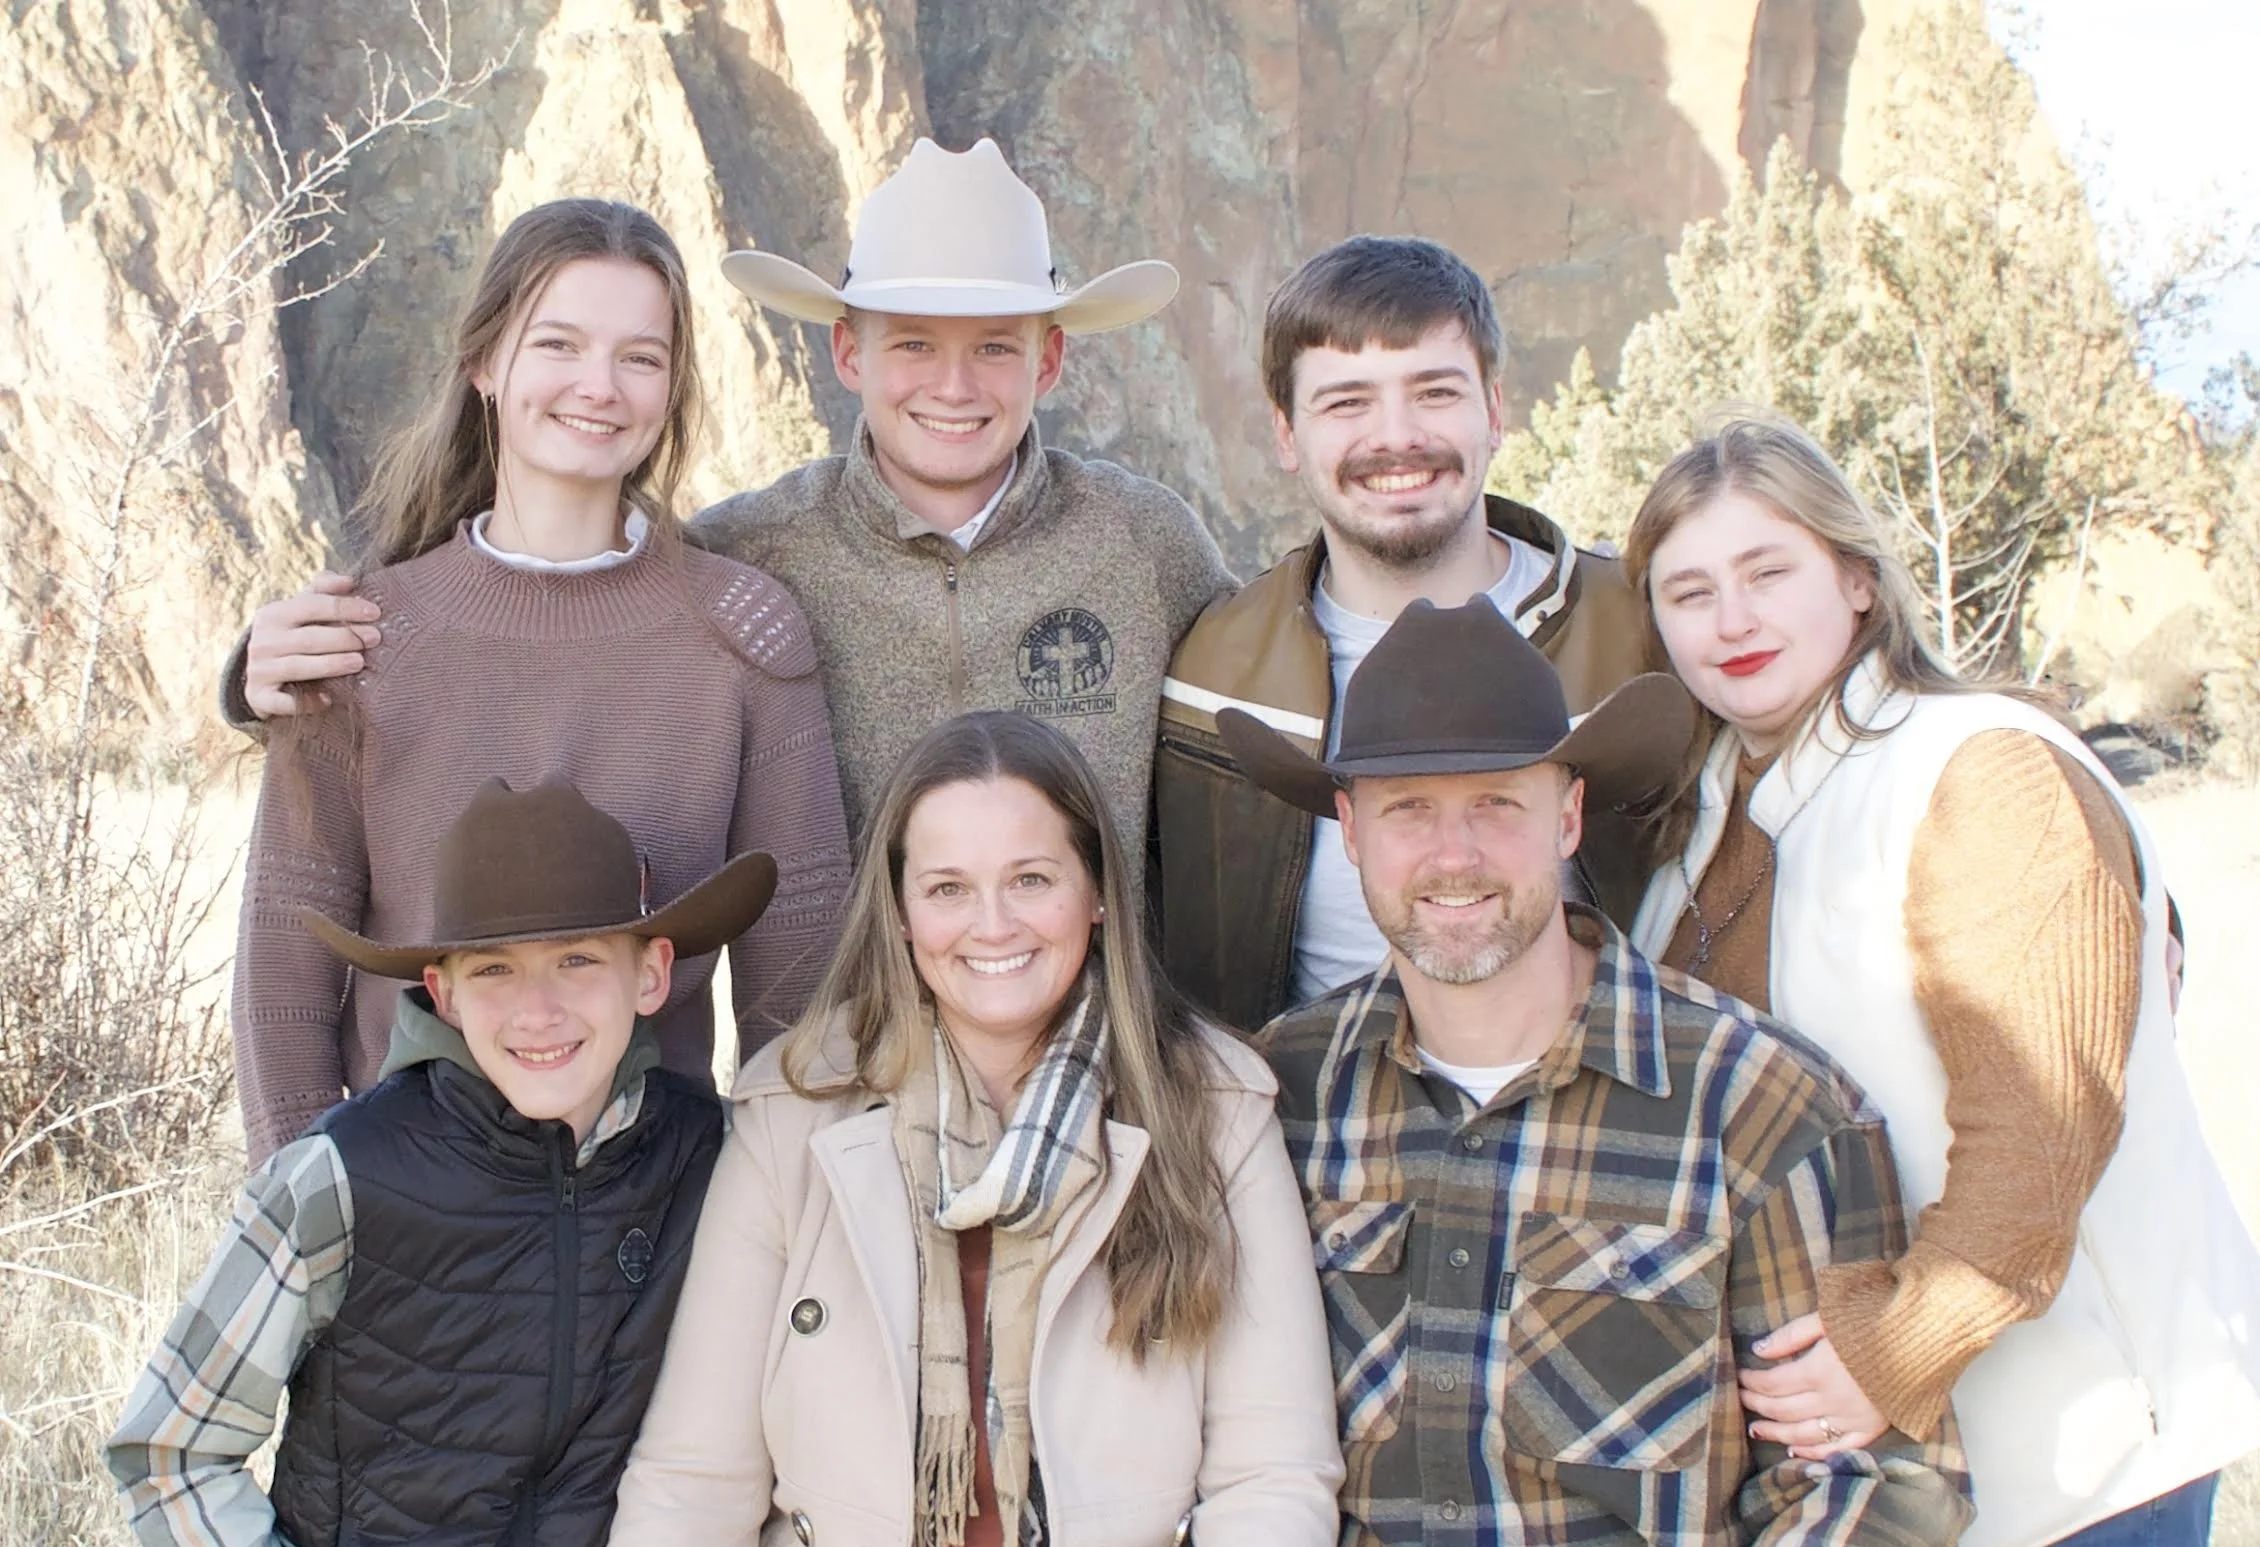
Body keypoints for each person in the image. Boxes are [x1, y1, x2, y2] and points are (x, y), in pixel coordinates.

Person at [1215, 598, 1972, 1547]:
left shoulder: (1757, 1104)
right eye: (1409, 809)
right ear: (1348, 831)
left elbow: (1875, 1490)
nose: (1453, 854)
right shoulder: (1277, 1093)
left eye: (1496, 805)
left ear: (1566, 814)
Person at [1621, 413, 2260, 1547]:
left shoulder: (1978, 769)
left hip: (2054, 1478)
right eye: (1688, 590)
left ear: (1856, 579)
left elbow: (2046, 1126)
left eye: (1766, 570)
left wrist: (1895, 1343)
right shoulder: (1706, 822)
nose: (1730, 618)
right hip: (1846, 1503)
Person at [550, 712, 1342, 1547]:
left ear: (1098, 890)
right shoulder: (798, 1109)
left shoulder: (1210, 1115)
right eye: (949, 888)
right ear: (902, 909)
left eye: (1031, 878)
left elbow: (1271, 1471)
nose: (992, 924)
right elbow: (697, 1478)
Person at [226, 141, 1237, 863]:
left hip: (1105, 1081)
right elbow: (541, 640)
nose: (954, 386)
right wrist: (253, 678)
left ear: (1049, 360)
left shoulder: (1143, 544)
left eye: (995, 348)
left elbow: (1291, 689)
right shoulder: (752, 559)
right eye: (914, 344)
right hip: (845, 1087)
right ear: (848, 351)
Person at [109, 778, 780, 1547]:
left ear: (650, 974)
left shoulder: (714, 1162)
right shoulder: (340, 1175)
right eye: (495, 968)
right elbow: (167, 1446)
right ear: (443, 987)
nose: (539, 1008)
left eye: (578, 960)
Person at [229, 198, 851, 1165]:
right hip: (409, 1204)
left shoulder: (746, 634)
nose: (598, 387)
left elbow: (798, 983)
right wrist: (307, 1211)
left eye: (640, 357)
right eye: (557, 343)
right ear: (485, 363)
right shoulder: (359, 639)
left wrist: (778, 1212)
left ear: (672, 389)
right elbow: (286, 973)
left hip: (656, 1207)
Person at [1156, 235, 1662, 1030]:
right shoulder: (1212, 672)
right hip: (1305, 1132)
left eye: (1433, 392)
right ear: (1286, 434)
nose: (1395, 436)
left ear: (1494, 412)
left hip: (1604, 1132)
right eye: (1347, 401)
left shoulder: (1640, 635)